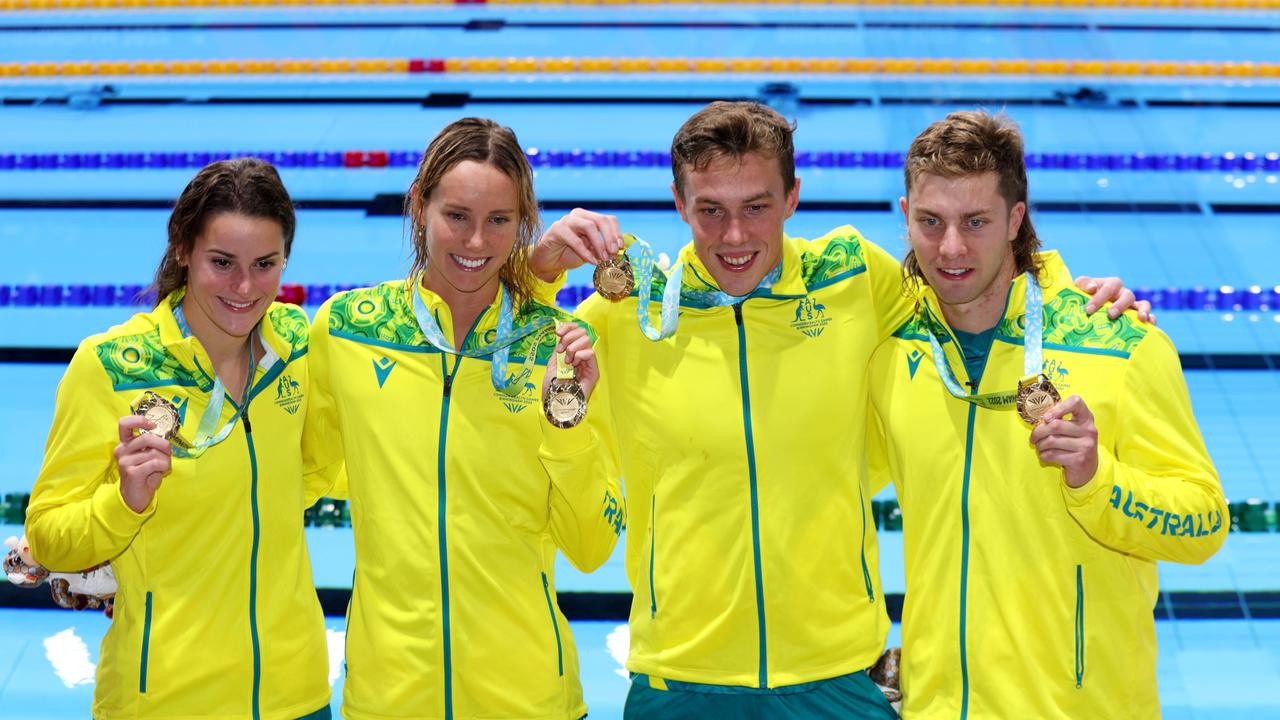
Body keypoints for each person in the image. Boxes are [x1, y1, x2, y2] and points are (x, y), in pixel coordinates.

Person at [528, 101, 1148, 718]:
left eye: (757, 207)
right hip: (679, 677)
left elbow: (969, 284)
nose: (735, 235)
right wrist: (536, 272)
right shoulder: (631, 315)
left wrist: (1074, 293)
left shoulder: (854, 281)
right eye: (711, 209)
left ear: (793, 197)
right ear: (678, 202)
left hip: (837, 677)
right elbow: (501, 363)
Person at [866, 110, 1225, 718]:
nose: (951, 248)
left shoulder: (1116, 341)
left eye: (975, 221)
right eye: (932, 222)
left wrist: (1098, 479)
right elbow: (826, 492)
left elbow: (1205, 523)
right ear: (906, 217)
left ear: (1015, 219)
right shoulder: (893, 352)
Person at [304, 117, 625, 720]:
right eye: (457, 216)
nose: (476, 243)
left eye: (499, 221)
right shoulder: (346, 330)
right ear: (419, 204)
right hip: (389, 697)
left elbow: (592, 545)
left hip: (530, 698)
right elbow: (285, 472)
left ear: (522, 224)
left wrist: (568, 429)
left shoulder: (557, 346)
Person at [26, 158, 335, 719]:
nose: (245, 288)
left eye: (266, 264)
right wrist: (123, 504)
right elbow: (47, 537)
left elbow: (321, 467)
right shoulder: (111, 366)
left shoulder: (295, 345)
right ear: (181, 249)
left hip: (297, 695)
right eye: (223, 262)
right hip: (166, 700)